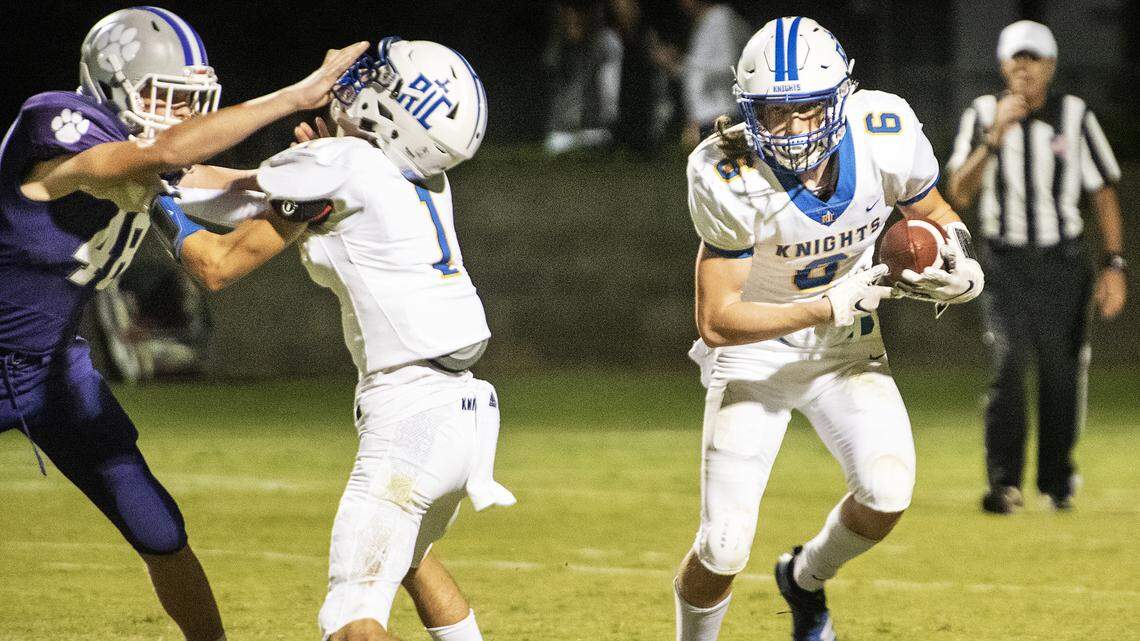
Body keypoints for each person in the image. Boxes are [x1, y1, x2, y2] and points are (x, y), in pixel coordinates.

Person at [0, 6, 366, 640]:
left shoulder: (145, 156)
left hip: (55, 371)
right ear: (108, 83)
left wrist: (332, 170)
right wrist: (294, 97)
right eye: (162, 96)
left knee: (158, 528)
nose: (177, 115)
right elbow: (165, 152)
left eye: (188, 102)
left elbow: (228, 186)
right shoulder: (54, 122)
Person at [147, 37, 515, 641]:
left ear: (395, 109)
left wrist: (148, 200)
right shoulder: (410, 175)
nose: (358, 82)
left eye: (377, 79)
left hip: (412, 415)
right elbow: (244, 195)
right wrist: (157, 173)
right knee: (410, 560)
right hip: (467, 410)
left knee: (350, 620)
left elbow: (216, 264)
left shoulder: (345, 162)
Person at [673, 16, 984, 641]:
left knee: (887, 491)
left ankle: (804, 578)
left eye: (808, 110)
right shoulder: (725, 170)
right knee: (725, 545)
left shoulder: (883, 131)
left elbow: (935, 213)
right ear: (747, 108)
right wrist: (829, 304)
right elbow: (715, 321)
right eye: (772, 112)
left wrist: (956, 257)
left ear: (840, 99)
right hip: (754, 355)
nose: (789, 131)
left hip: (844, 350)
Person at [945, 20, 1127, 514]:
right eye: (1016, 59)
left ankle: (1056, 480)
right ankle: (1004, 484)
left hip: (1062, 264)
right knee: (1007, 365)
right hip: (1002, 264)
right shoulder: (982, 113)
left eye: (1034, 59)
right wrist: (996, 136)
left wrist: (1114, 263)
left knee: (1061, 373)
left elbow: (1103, 192)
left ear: (1050, 66)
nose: (1024, 68)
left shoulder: (1074, 115)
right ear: (1003, 65)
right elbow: (959, 192)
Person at [677, 0, 753, 146]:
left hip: (722, 113)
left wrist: (695, 68)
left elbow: (728, 66)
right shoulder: (704, 21)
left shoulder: (721, 18)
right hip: (705, 117)